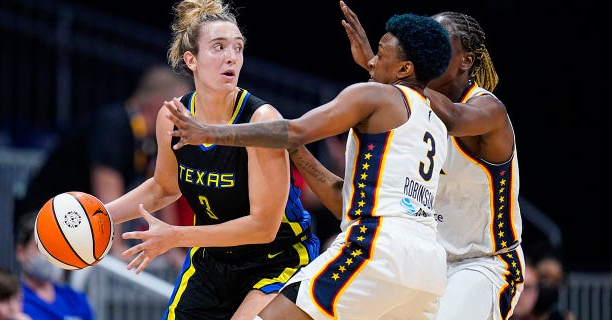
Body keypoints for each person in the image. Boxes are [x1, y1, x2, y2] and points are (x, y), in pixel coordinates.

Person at [163, 11, 452, 319]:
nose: (370, 62)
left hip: (379, 246)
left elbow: (294, 129)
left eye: (380, 56)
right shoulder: (435, 124)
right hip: (429, 268)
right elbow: (345, 203)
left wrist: (209, 132)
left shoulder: (374, 95)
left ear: (405, 68)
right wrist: (295, 150)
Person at [104, 0, 320, 319]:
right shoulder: (172, 116)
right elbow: (164, 187)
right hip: (212, 260)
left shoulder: (261, 121)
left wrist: (176, 236)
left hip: (278, 258)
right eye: (218, 47)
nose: (231, 56)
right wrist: (99, 217)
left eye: (238, 48)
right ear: (191, 59)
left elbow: (263, 227)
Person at [339, 2, 525, 319]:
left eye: (441, 40)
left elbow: (452, 118)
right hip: (425, 260)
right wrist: (382, 68)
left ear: (467, 60)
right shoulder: (410, 108)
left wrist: (386, 73)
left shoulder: (488, 111)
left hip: (484, 262)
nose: (431, 46)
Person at [88, 64, 194, 270]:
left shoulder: (152, 139)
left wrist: (172, 247)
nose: (186, 118)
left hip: (87, 222)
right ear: (160, 105)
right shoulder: (114, 123)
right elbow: (108, 190)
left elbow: (163, 187)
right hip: (50, 213)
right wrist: (115, 247)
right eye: (181, 109)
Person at [14, 212, 95, 320]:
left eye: (56, 247)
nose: (50, 255)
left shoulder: (76, 300)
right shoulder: (10, 301)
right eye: (42, 247)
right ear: (21, 252)